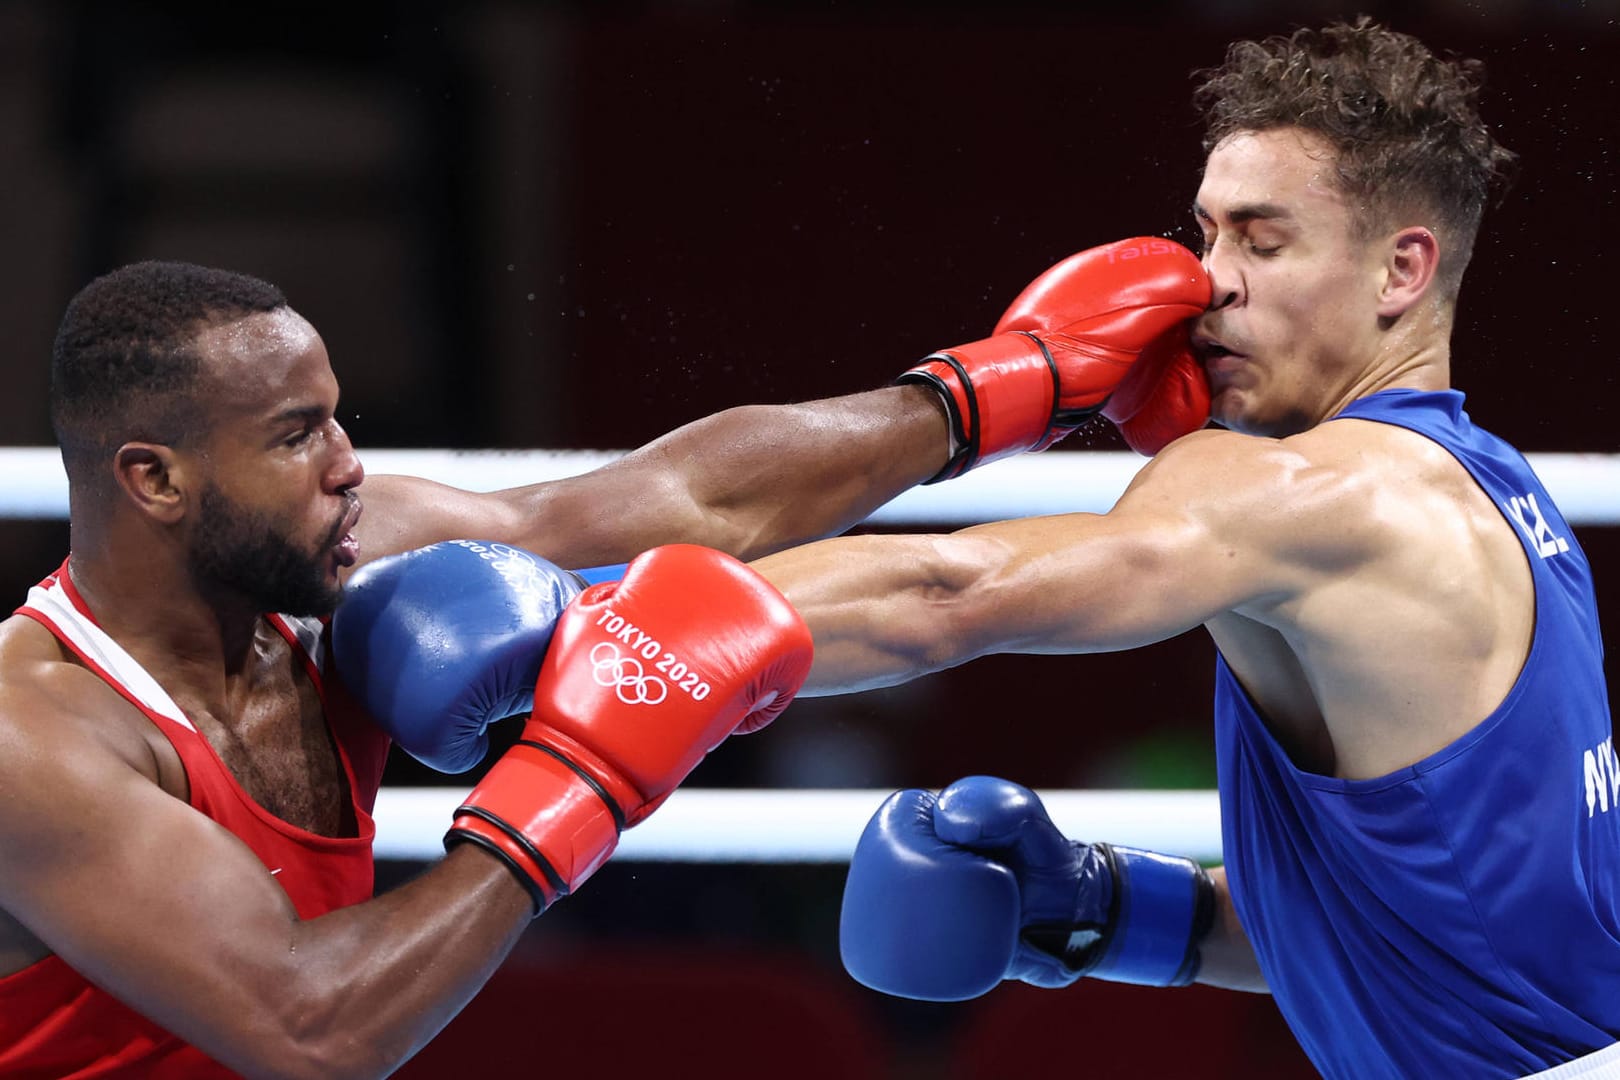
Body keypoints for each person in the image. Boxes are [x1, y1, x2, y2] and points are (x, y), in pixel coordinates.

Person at [0, 237, 1207, 1077]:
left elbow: (680, 497)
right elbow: (311, 1030)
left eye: (337, 416)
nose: (349, 463)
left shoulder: (329, 568)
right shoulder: (36, 735)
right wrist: (575, 784)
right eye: (294, 435)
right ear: (153, 479)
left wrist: (990, 392)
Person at [752, 18, 1620, 1080]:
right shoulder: (1503, 490)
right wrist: (1102, 910)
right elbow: (1419, 921)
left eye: (1261, 241)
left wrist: (610, 626)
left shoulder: (1314, 490)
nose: (1207, 282)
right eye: (1206, 235)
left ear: (1402, 271)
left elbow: (946, 591)